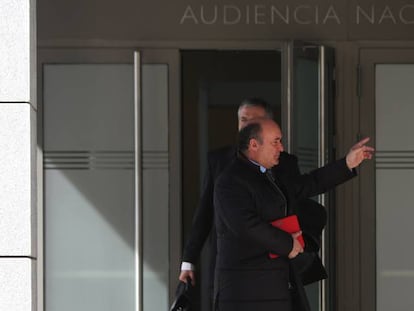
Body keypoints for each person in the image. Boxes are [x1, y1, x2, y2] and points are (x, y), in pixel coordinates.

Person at [179, 98, 327, 310]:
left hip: (273, 261)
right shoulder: (219, 160)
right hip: (232, 259)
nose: (246, 124)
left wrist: (294, 243)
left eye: (254, 120)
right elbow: (205, 213)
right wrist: (189, 260)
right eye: (243, 119)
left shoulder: (283, 161)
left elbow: (300, 195)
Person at [213, 119, 373, 311]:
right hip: (247, 290)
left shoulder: (271, 176)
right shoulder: (231, 180)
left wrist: (347, 163)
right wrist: (288, 244)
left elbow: (310, 183)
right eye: (275, 141)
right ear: (254, 144)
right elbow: (246, 225)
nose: (281, 148)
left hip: (277, 284)